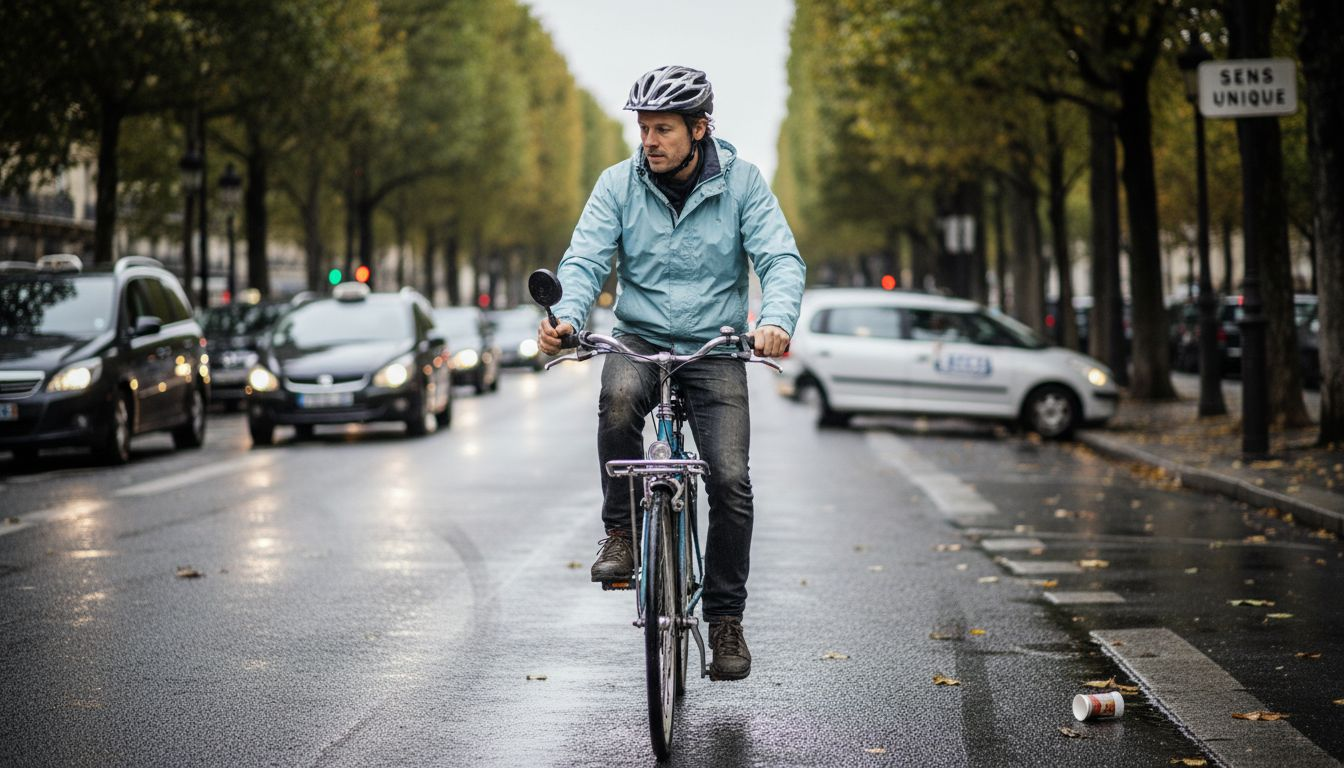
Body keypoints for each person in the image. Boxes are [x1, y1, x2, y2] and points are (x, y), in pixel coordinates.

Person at [537, 65, 805, 681]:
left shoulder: (742, 184)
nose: (650, 141)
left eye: (663, 129)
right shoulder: (617, 184)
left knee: (731, 481)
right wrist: (568, 317)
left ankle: (725, 619)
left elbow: (779, 259)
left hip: (716, 346)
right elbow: (584, 259)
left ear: (700, 129)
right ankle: (623, 533)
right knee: (617, 398)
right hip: (641, 335)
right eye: (644, 128)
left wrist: (778, 321)